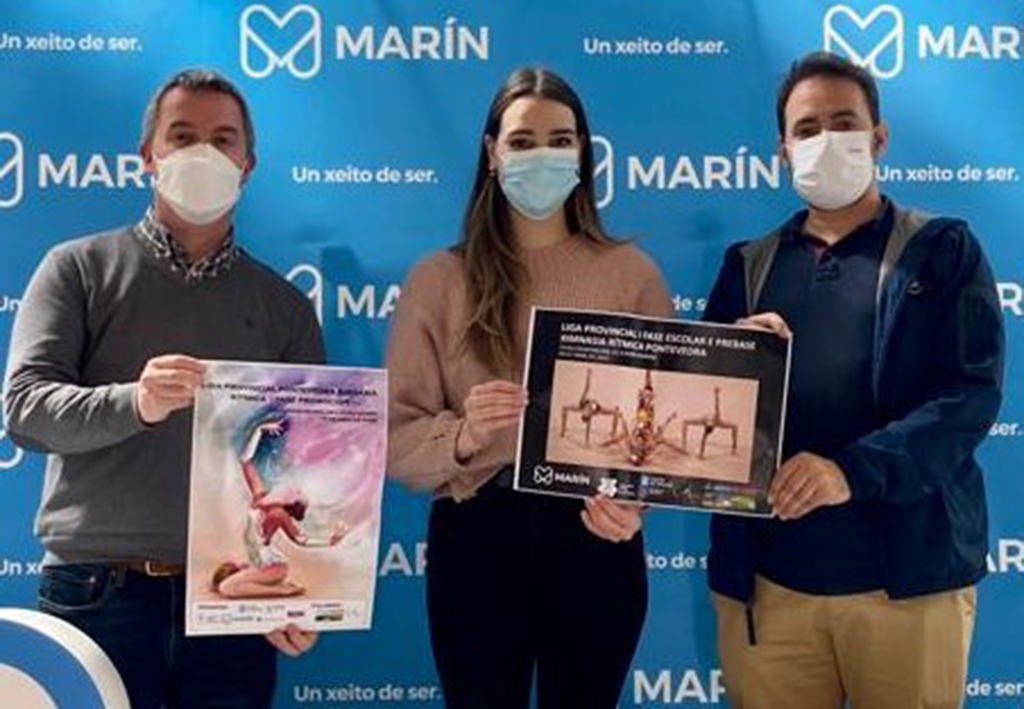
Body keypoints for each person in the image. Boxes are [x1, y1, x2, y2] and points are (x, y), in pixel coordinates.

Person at [3, 69, 324, 709]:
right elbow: (24, 410)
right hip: (99, 591)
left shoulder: (284, 307)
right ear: (148, 156)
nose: (203, 152)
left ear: (247, 165)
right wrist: (136, 402)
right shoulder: (76, 269)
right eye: (182, 135)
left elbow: (303, 466)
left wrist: (305, 591)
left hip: (232, 601)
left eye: (223, 139)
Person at [703, 51, 1004, 709]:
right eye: (807, 128)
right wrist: (732, 360)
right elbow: (703, 418)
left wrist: (851, 470)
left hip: (908, 588)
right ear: (783, 150)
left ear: (879, 137)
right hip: (770, 590)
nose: (826, 140)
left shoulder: (943, 250)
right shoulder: (747, 266)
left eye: (844, 123)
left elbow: (968, 396)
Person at [386, 67, 675, 709]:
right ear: (492, 154)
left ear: (582, 153)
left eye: (559, 140)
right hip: (478, 537)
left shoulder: (632, 276)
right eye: (522, 141)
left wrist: (635, 505)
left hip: (595, 536)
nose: (541, 156)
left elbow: (662, 434)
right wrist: (464, 436)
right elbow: (395, 437)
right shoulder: (438, 279)